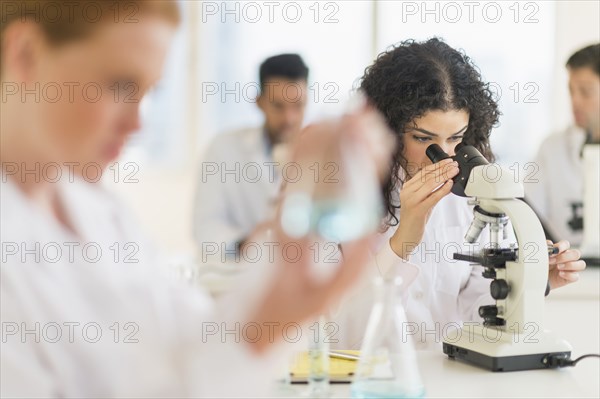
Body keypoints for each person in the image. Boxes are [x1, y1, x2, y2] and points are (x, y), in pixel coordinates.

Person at [0, 2, 391, 396]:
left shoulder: (99, 212)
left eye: (149, 92)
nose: (137, 123)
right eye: (120, 85)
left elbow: (200, 349)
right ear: (26, 54)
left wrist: (283, 305)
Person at [331, 38, 586, 350]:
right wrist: (404, 238)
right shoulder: (344, 195)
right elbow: (344, 329)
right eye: (423, 138)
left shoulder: (475, 193)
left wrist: (530, 283)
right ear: (387, 128)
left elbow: (476, 311)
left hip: (452, 374)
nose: (444, 155)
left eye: (456, 138)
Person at [194, 54, 309, 261]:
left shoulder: (325, 155)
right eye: (278, 106)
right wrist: (248, 245)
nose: (289, 118)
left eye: (298, 106)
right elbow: (204, 226)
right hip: (241, 275)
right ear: (259, 102)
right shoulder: (223, 148)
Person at [526, 44, 600, 247]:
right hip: (567, 268)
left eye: (585, 92)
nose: (574, 101)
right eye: (571, 90)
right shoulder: (552, 148)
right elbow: (528, 217)